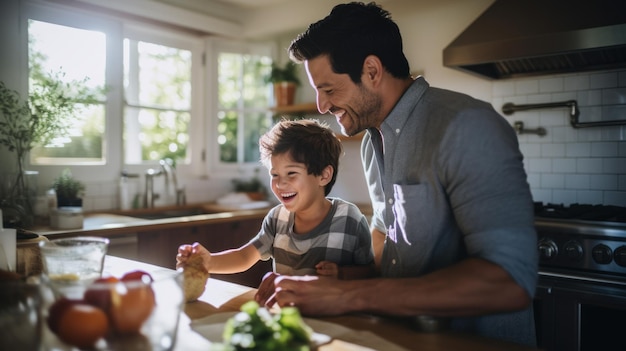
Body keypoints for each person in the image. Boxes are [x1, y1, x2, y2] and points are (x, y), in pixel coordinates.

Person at [254, 2, 538, 347]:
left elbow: (509, 282)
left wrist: (349, 296)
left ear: (372, 70)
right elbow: (387, 248)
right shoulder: (374, 141)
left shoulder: (466, 125)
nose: (322, 106)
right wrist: (310, 282)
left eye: (329, 89)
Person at [176, 119, 374, 282]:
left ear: (323, 175)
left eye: (291, 173)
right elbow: (245, 256)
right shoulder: (277, 218)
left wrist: (342, 274)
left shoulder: (350, 219)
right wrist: (208, 261)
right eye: (275, 174)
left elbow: (372, 272)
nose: (280, 184)